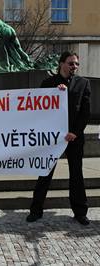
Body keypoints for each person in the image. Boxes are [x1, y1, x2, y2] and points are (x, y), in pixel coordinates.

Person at [26, 51, 91, 225]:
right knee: (45, 173)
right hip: (52, 138)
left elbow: (85, 113)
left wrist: (75, 132)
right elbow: (39, 110)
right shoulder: (48, 83)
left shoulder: (83, 83)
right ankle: (36, 210)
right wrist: (55, 92)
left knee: (76, 174)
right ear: (61, 63)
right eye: (71, 63)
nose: (74, 67)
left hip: (74, 137)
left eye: (76, 64)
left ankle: (80, 212)